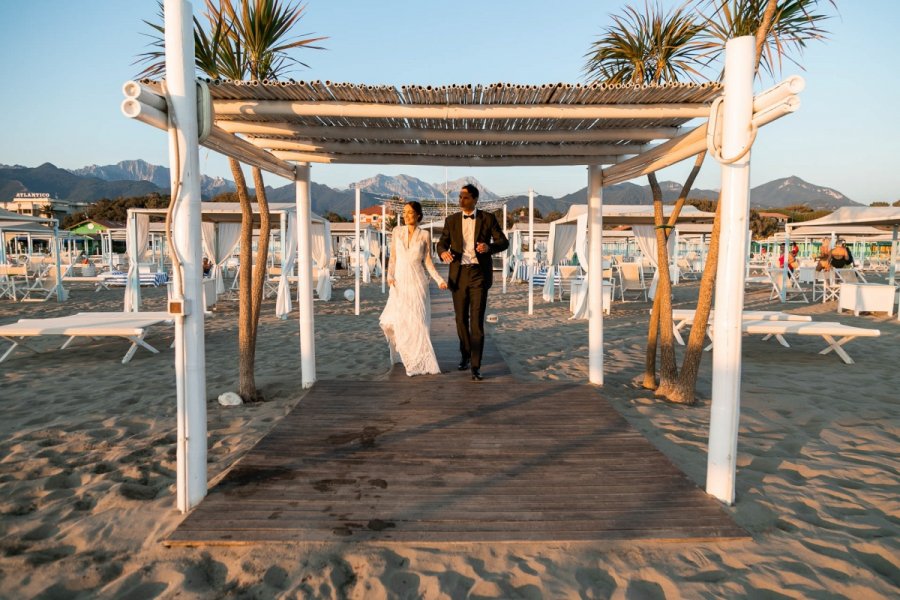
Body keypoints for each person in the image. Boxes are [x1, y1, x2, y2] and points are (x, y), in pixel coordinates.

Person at [437, 184, 509, 381]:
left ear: (476, 199)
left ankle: (476, 366)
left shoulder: (488, 218)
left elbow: (504, 242)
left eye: (465, 197)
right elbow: (442, 242)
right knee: (461, 320)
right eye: (460, 197)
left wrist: (489, 247)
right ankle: (465, 354)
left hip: (479, 274)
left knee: (476, 322)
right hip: (458, 274)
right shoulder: (451, 220)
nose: (461, 200)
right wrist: (443, 251)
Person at [379, 201, 448, 377]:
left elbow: (428, 262)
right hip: (400, 282)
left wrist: (440, 280)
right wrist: (389, 276)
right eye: (404, 212)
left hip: (418, 283)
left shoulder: (424, 234)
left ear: (418, 215)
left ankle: (421, 359)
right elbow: (392, 257)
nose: (406, 215)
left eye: (410, 212)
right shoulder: (396, 231)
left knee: (419, 323)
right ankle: (407, 355)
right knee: (399, 320)